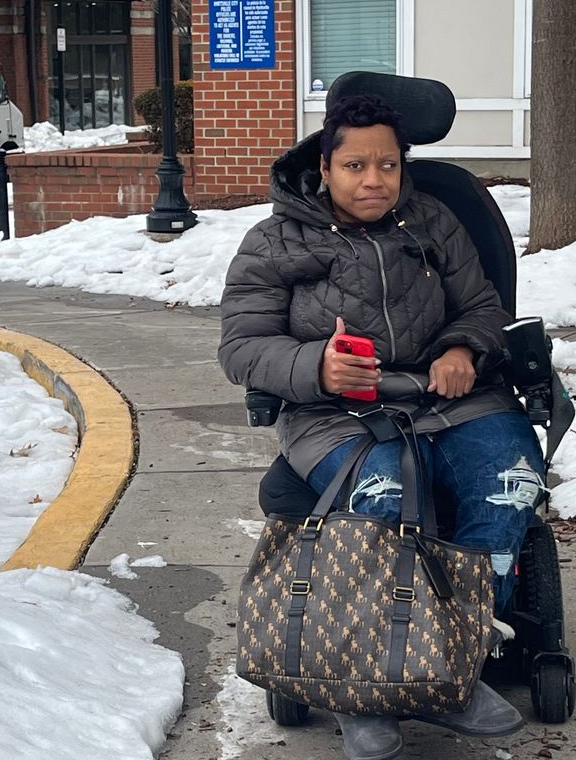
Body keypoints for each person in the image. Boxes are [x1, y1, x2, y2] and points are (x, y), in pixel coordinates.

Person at [218, 94, 545, 760]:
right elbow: (242, 346)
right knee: (382, 503)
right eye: (357, 165)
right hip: (337, 413)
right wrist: (317, 366)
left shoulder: (433, 219)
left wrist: (461, 348)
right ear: (324, 167)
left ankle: (452, 665)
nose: (375, 180)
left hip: (451, 399)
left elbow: (483, 306)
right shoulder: (274, 242)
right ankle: (364, 688)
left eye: (389, 165)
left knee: (510, 481)